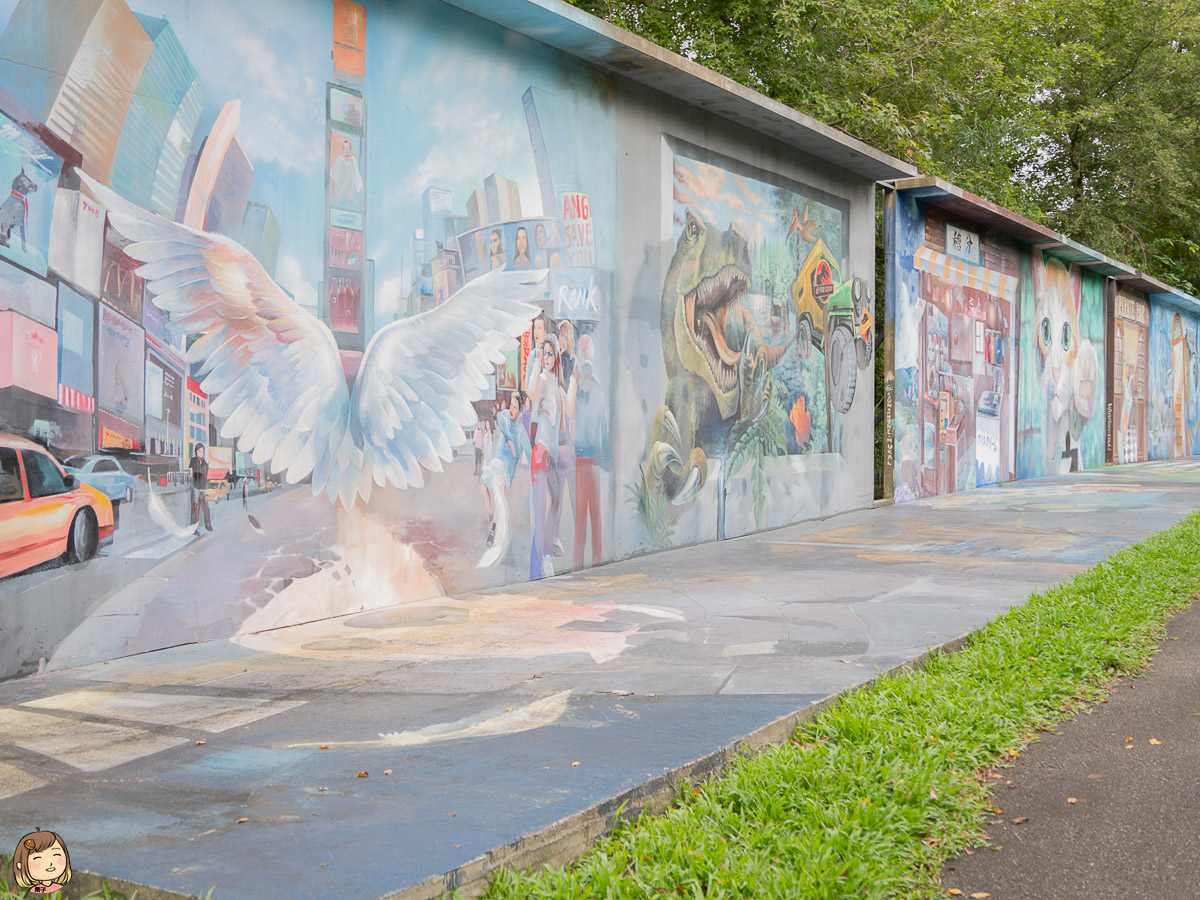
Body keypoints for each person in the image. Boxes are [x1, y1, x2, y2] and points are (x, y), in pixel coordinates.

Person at [566, 333, 608, 569]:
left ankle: (578, 564)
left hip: (584, 457)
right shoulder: (597, 387)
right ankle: (595, 561)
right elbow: (603, 424)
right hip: (591, 458)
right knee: (594, 515)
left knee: (583, 516)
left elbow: (571, 414)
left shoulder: (583, 387)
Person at [529, 334, 565, 578]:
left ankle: (547, 549)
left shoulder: (556, 383)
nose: (548, 357)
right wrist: (535, 362)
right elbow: (531, 394)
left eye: (551, 353)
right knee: (541, 507)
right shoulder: (542, 379)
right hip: (541, 452)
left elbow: (562, 424)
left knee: (556, 502)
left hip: (552, 453)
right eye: (545, 353)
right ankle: (543, 560)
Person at [479, 391, 531, 554]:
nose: (511, 409)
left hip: (507, 467)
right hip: (496, 460)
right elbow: (501, 420)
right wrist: (508, 439)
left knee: (498, 491)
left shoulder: (521, 431)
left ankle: (493, 530)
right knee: (483, 487)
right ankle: (491, 514)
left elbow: (529, 451)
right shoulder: (504, 416)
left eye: (515, 407)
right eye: (511, 405)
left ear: (521, 411)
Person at [330, 139, 363, 207]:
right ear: (343, 150)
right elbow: (333, 178)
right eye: (345, 149)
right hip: (338, 194)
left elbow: (356, 178)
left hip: (344, 196)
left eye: (348, 149)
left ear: (350, 150)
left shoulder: (353, 161)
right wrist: (334, 195)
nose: (347, 151)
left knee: (349, 175)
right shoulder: (339, 160)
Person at [188, 443, 213, 534]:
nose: (201, 453)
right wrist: (193, 483)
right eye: (199, 451)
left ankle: (207, 524)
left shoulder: (204, 462)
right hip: (196, 487)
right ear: (196, 451)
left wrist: (206, 484)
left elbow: (207, 473)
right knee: (195, 509)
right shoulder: (193, 460)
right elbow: (191, 473)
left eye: (202, 451)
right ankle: (193, 529)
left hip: (202, 488)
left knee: (206, 508)